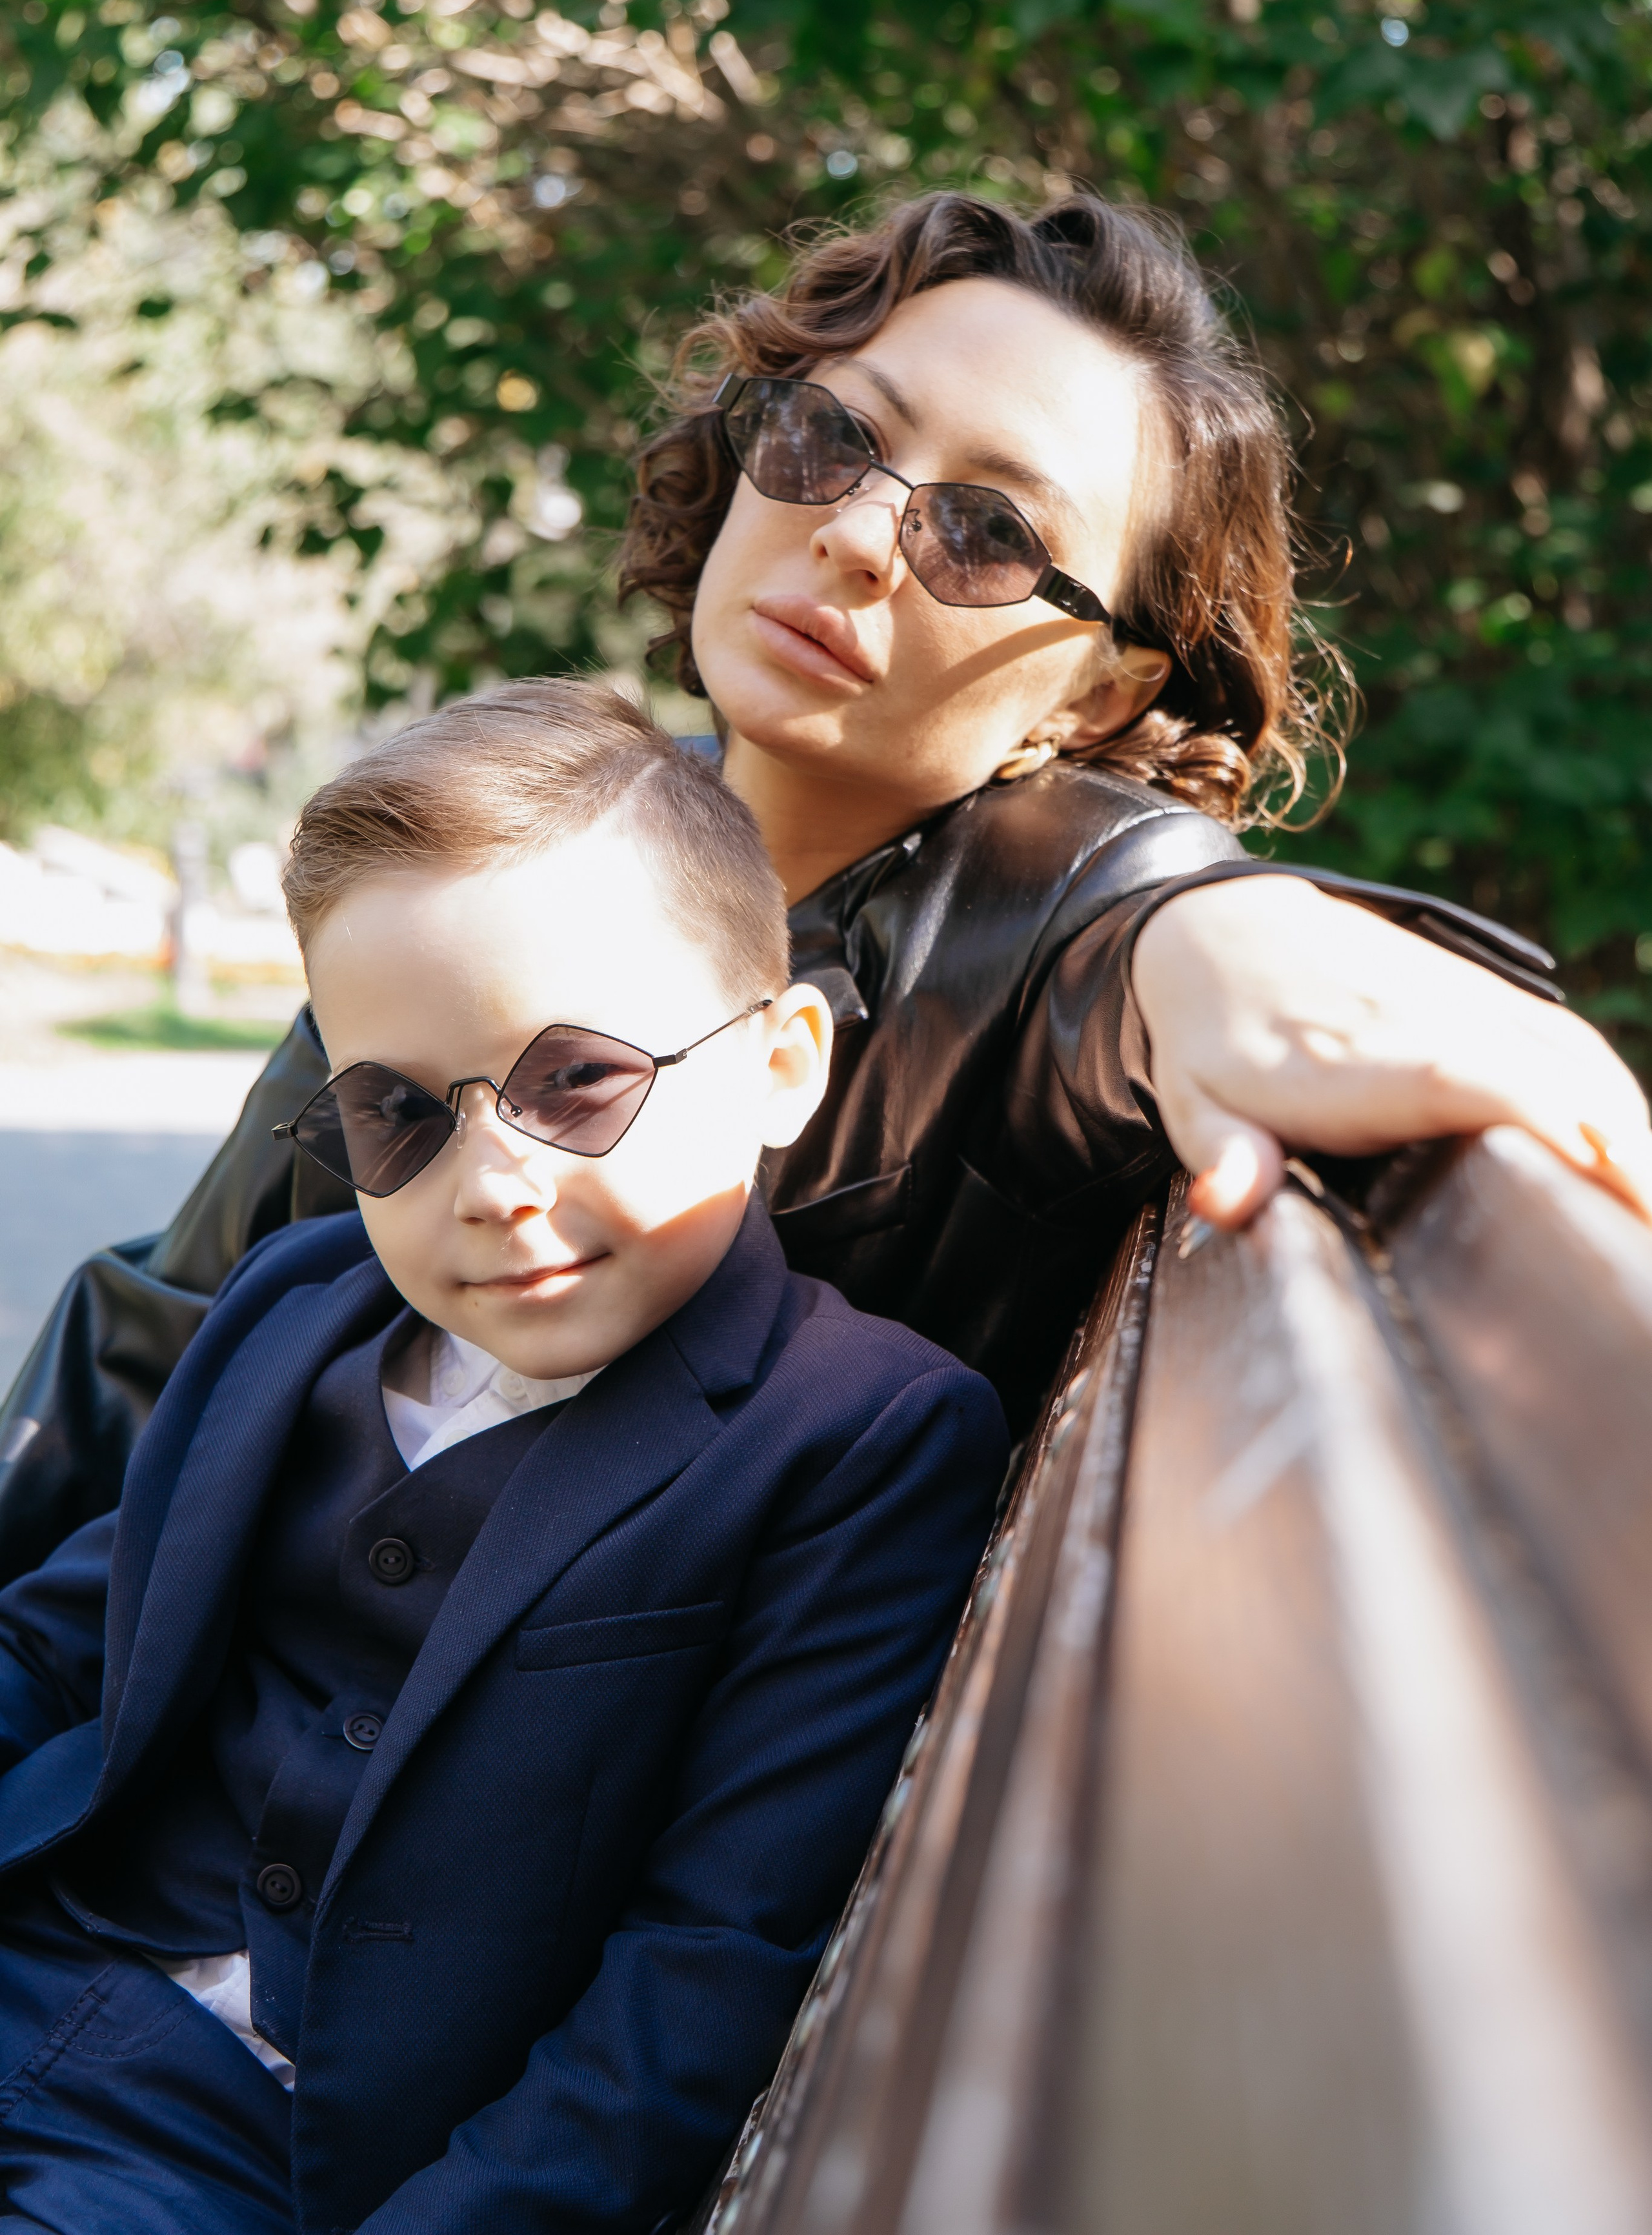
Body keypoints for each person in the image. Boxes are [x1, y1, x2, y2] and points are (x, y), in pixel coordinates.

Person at [4, 189, 1647, 1538]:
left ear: (1104, 686)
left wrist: (1229, 943)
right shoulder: (517, 860)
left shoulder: (1062, 921)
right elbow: (153, 1358)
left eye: (993, 533)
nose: (859, 532)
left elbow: (1134, 927)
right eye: (832, 437)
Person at [0, 684, 1005, 2234]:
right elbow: (69, 1644)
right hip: (49, 1952)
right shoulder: (292, 1304)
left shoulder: (857, 1437)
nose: (491, 1185)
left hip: (273, 2146)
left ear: (782, 1062)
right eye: (398, 1115)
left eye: (576, 1079)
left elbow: (705, 1963)